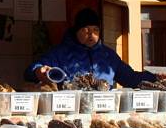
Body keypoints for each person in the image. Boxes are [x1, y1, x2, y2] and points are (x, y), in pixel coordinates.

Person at [26, 8, 157, 88]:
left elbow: (131, 78)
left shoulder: (108, 56)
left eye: (95, 30)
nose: (91, 35)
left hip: (103, 111)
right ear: (76, 31)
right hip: (70, 111)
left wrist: (155, 78)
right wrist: (37, 71)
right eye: (85, 30)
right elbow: (29, 72)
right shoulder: (60, 53)